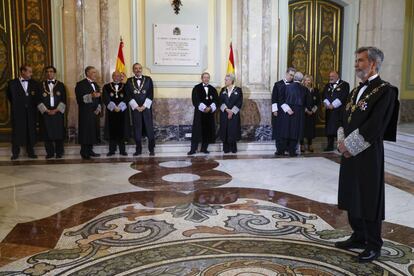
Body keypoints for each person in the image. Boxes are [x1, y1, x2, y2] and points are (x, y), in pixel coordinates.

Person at [335, 47, 399, 263]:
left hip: (368, 152)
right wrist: (341, 141)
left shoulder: (385, 91)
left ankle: (373, 244)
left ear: (373, 64)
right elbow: (344, 117)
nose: (356, 64)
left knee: (369, 197)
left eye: (360, 60)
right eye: (356, 60)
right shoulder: (355, 91)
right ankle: (358, 235)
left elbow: (376, 125)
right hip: (350, 152)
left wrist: (349, 147)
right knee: (351, 193)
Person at [6, 65, 38, 160]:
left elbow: (36, 97)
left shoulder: (34, 83)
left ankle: (30, 152)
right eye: (29, 72)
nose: (31, 74)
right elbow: (9, 97)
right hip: (18, 113)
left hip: (31, 112)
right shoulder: (12, 83)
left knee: (30, 131)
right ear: (23, 72)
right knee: (17, 132)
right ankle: (15, 153)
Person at [277, 71, 311, 157]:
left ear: (294, 78)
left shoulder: (285, 87)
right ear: (302, 80)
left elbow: (280, 100)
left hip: (287, 111)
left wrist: (287, 109)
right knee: (295, 132)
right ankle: (292, 151)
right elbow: (309, 104)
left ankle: (281, 151)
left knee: (286, 130)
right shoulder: (305, 89)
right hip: (299, 113)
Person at [37, 66, 67, 159]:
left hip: (57, 112)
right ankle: (49, 153)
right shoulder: (40, 85)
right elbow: (38, 100)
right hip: (46, 112)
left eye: (51, 71)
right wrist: (46, 110)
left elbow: (64, 100)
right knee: (47, 133)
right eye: (47, 72)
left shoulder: (61, 85)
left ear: (54, 73)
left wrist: (56, 110)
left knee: (58, 133)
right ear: (45, 73)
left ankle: (59, 152)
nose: (49, 73)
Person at [126, 63, 155, 156]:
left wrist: (144, 106)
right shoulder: (129, 81)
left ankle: (151, 149)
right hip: (136, 109)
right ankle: (138, 150)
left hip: (146, 108)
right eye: (135, 68)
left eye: (139, 68)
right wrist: (136, 106)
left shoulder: (148, 79)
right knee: (137, 128)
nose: (138, 70)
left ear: (141, 69)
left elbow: (150, 93)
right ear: (133, 70)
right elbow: (128, 95)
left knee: (149, 128)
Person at [188, 72, 218, 155]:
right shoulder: (196, 88)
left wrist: (210, 108)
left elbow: (216, 100)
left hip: (209, 114)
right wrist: (204, 108)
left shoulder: (213, 89)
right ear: (202, 78)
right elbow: (195, 100)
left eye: (208, 77)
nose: (206, 79)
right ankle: (193, 149)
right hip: (199, 114)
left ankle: (204, 149)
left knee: (207, 131)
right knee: (197, 131)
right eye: (204, 77)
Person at [75, 66, 102, 160]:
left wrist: (98, 109)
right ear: (88, 73)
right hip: (85, 112)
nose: (96, 74)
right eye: (94, 72)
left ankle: (90, 150)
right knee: (85, 131)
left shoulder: (96, 84)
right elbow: (79, 99)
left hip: (94, 112)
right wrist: (91, 95)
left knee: (92, 131)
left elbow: (99, 99)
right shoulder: (80, 84)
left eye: (95, 72)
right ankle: (84, 152)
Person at [102, 71, 130, 156]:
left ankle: (122, 150)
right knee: (112, 131)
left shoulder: (125, 86)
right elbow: (105, 98)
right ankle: (112, 150)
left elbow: (127, 97)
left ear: (121, 77)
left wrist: (120, 107)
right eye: (115, 75)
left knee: (122, 130)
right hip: (111, 112)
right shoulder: (106, 86)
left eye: (118, 76)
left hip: (122, 111)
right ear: (112, 76)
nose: (116, 77)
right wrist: (114, 107)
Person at [322, 71, 349, 151]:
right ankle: (329, 145)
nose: (330, 78)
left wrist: (333, 105)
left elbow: (343, 97)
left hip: (339, 111)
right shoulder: (327, 85)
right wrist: (327, 104)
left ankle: (340, 147)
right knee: (329, 129)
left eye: (332, 76)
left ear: (337, 76)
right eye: (330, 76)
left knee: (339, 129)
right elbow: (324, 95)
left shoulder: (345, 85)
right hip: (329, 111)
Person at [272, 68, 295, 156]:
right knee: (279, 130)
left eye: (293, 75)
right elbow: (274, 98)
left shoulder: (294, 85)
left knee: (288, 130)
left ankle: (288, 148)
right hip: (280, 111)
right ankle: (280, 149)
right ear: (286, 74)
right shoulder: (278, 84)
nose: (291, 77)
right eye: (290, 75)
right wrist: (274, 110)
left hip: (290, 112)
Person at [218, 73, 243, 153]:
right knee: (225, 129)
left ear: (231, 80)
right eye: (225, 79)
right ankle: (226, 148)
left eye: (226, 80)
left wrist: (232, 111)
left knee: (233, 130)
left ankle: (233, 148)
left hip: (234, 114)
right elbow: (220, 101)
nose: (225, 81)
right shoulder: (222, 90)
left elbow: (239, 102)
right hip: (224, 113)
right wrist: (226, 110)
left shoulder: (238, 90)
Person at [300, 75, 320, 153]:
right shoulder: (301, 90)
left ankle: (310, 144)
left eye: (309, 80)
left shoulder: (315, 90)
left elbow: (318, 102)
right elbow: (300, 101)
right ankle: (301, 145)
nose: (307, 82)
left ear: (311, 81)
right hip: (303, 113)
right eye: (306, 80)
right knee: (302, 129)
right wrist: (306, 110)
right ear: (303, 81)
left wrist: (313, 110)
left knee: (311, 129)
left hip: (312, 113)